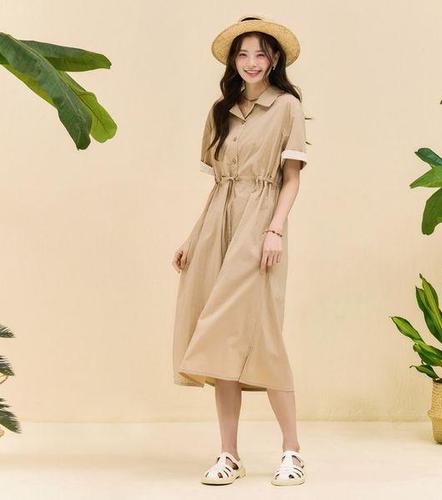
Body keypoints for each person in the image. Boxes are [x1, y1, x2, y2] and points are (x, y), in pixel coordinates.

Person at [171, 15, 309, 486]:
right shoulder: (221, 111)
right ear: (233, 61)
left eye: (260, 54)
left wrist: (274, 230)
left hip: (259, 223)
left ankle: (292, 451)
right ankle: (229, 454)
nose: (251, 62)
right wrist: (193, 238)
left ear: (274, 59)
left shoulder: (287, 106)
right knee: (220, 338)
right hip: (218, 226)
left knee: (264, 336)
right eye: (243, 54)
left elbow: (291, 180)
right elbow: (219, 187)